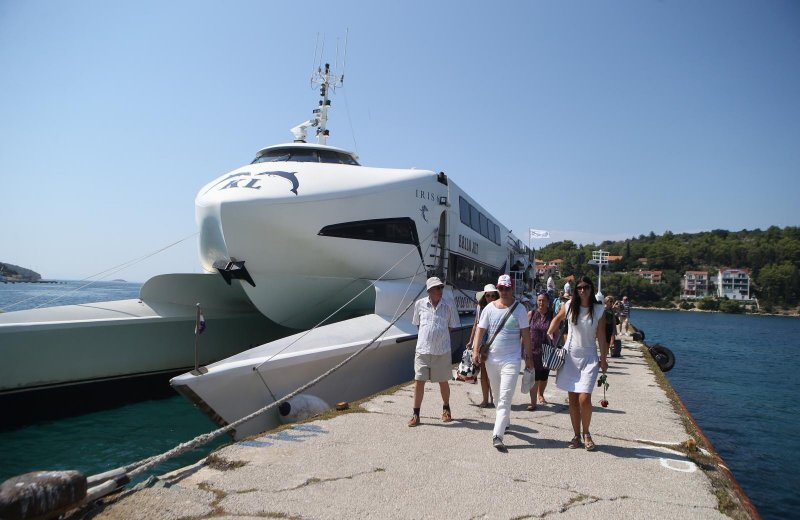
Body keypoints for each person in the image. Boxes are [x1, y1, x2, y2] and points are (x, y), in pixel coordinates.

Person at [547, 275, 609, 451]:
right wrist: (549, 334)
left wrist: (603, 359)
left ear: (590, 289)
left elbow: (602, 336)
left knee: (584, 397)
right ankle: (576, 436)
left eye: (586, 287)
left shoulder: (599, 310)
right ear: (576, 290)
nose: (583, 290)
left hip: (589, 355)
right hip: (570, 355)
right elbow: (557, 319)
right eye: (580, 287)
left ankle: (587, 433)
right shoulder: (568, 306)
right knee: (573, 398)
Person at [472, 274, 533, 452]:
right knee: (498, 396)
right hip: (492, 359)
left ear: (512, 288)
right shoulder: (489, 308)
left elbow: (526, 335)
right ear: (498, 289)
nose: (504, 291)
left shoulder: (520, 309)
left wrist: (528, 358)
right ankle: (505, 422)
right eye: (501, 288)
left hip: (511, 360)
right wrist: (475, 351)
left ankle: (497, 435)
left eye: (507, 288)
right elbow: (480, 331)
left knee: (505, 398)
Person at [409, 276, 461, 427]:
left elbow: (450, 326)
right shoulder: (419, 304)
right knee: (419, 381)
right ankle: (416, 414)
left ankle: (446, 408)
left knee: (443, 381)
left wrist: (439, 337)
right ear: (429, 290)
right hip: (423, 350)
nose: (440, 290)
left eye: (441, 287)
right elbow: (418, 325)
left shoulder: (448, 305)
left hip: (442, 351)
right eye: (437, 288)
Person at [465, 284, 499, 408]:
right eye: (488, 295)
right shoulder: (480, 307)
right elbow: (476, 325)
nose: (490, 298)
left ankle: (495, 399)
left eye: (493, 295)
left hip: (495, 342)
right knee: (484, 372)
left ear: (496, 296)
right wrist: (471, 341)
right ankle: (485, 399)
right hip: (483, 343)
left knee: (494, 373)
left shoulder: (500, 307)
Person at [526, 292, 553, 410]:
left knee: (544, 376)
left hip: (547, 349)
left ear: (548, 302)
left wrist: (557, 343)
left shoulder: (552, 315)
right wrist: (523, 349)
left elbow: (556, 332)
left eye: (543, 300)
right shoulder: (531, 314)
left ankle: (540, 394)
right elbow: (525, 332)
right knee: (534, 375)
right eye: (539, 300)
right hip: (532, 349)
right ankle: (533, 403)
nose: (541, 303)